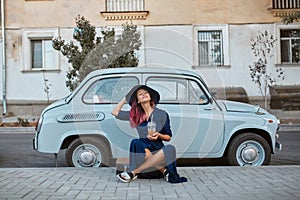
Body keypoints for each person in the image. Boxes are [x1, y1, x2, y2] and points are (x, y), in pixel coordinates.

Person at [111, 85, 187, 183]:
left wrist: (159, 135)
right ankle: (163, 170)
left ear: (150, 96)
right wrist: (126, 98)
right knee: (136, 142)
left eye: (146, 93)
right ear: (138, 100)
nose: (144, 95)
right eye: (140, 94)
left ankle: (133, 172)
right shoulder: (136, 114)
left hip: (158, 150)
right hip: (142, 152)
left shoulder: (162, 114)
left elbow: (168, 137)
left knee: (170, 148)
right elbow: (115, 112)